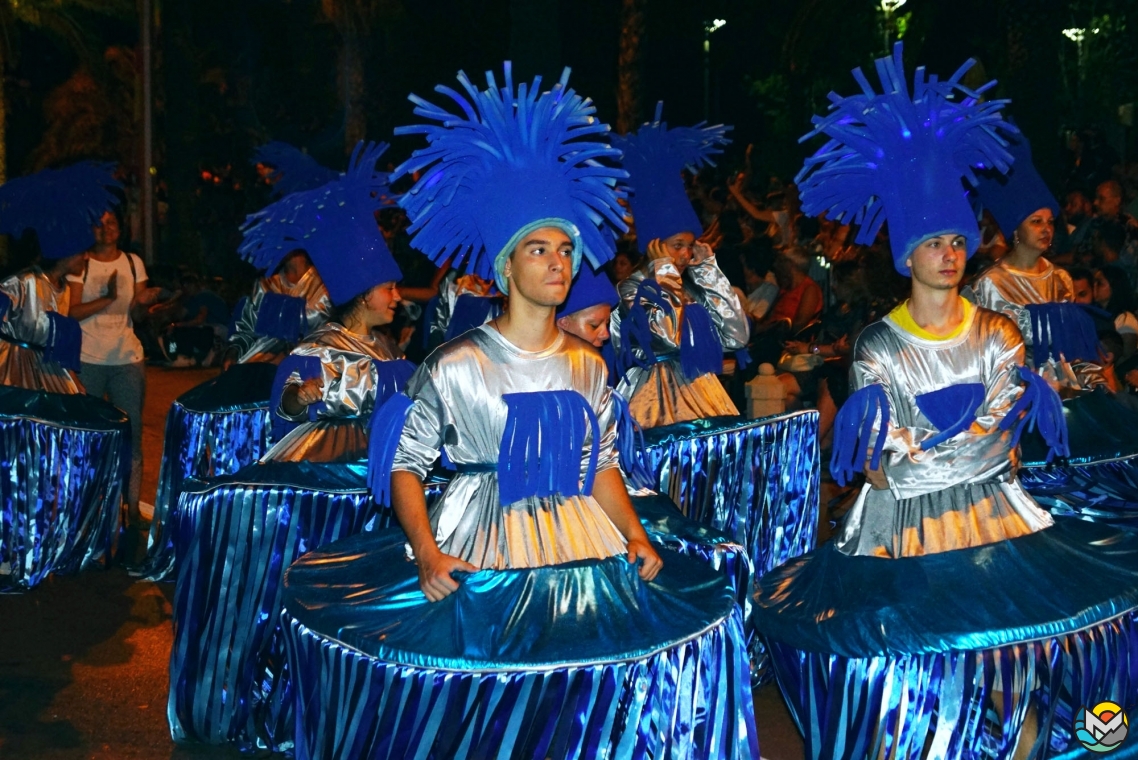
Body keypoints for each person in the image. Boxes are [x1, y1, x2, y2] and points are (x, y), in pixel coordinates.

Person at [353, 65, 756, 756]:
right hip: (485, 543)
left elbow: (599, 463)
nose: (557, 262)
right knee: (496, 700)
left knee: (583, 703)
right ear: (507, 265)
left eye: (565, 248)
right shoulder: (455, 363)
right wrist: (425, 551)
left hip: (578, 539)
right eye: (539, 249)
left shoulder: (586, 365)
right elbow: (405, 462)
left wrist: (632, 531)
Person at [754, 45, 1138, 758]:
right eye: (933, 242)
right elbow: (875, 468)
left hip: (993, 517)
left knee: (1001, 648)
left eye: (957, 239)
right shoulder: (876, 345)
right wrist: (938, 459)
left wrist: (932, 451)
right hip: (901, 531)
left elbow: (1003, 435)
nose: (950, 252)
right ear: (907, 254)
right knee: (924, 666)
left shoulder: (997, 332)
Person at [243, 141, 412, 464]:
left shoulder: (388, 348)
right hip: (333, 468)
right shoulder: (320, 347)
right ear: (364, 294)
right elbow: (286, 403)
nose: (398, 296)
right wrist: (299, 396)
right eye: (389, 288)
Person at [609, 103, 749, 428]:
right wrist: (664, 274)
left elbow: (737, 336)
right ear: (655, 245)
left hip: (705, 399)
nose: (686, 255)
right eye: (677, 246)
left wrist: (709, 271)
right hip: (652, 409)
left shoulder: (691, 285)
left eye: (690, 246)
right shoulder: (631, 288)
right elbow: (669, 340)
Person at [967, 133, 1106, 390]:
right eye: (1036, 221)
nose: (1046, 229)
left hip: (1064, 389)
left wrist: (1091, 380)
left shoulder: (1061, 278)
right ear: (1016, 230)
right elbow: (979, 355)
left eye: (1050, 222)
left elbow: (1072, 347)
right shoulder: (988, 284)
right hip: (1014, 394)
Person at [68, 202, 151, 534]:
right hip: (89, 359)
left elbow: (139, 316)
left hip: (127, 358)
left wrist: (145, 304)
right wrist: (108, 298)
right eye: (100, 224)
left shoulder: (133, 263)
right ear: (91, 229)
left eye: (112, 222)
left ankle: (131, 509)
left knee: (131, 434)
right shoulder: (81, 264)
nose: (107, 228)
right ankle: (87, 507)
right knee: (88, 436)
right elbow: (71, 312)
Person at [222, 249, 332, 368]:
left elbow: (328, 337)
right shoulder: (266, 284)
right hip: (257, 366)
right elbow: (247, 330)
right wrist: (233, 351)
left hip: (303, 369)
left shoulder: (324, 286)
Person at [164, 273, 230, 367]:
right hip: (211, 329)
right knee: (174, 329)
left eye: (185, 287)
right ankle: (178, 356)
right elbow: (180, 314)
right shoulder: (193, 299)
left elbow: (199, 320)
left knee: (182, 329)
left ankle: (185, 357)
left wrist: (177, 325)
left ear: (191, 285)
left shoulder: (204, 295)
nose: (184, 290)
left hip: (220, 330)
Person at [1093, 264, 1138, 360]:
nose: (1094, 286)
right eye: (1094, 282)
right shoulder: (1096, 314)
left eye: (1100, 283)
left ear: (1114, 287)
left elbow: (1126, 358)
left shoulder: (1126, 320)